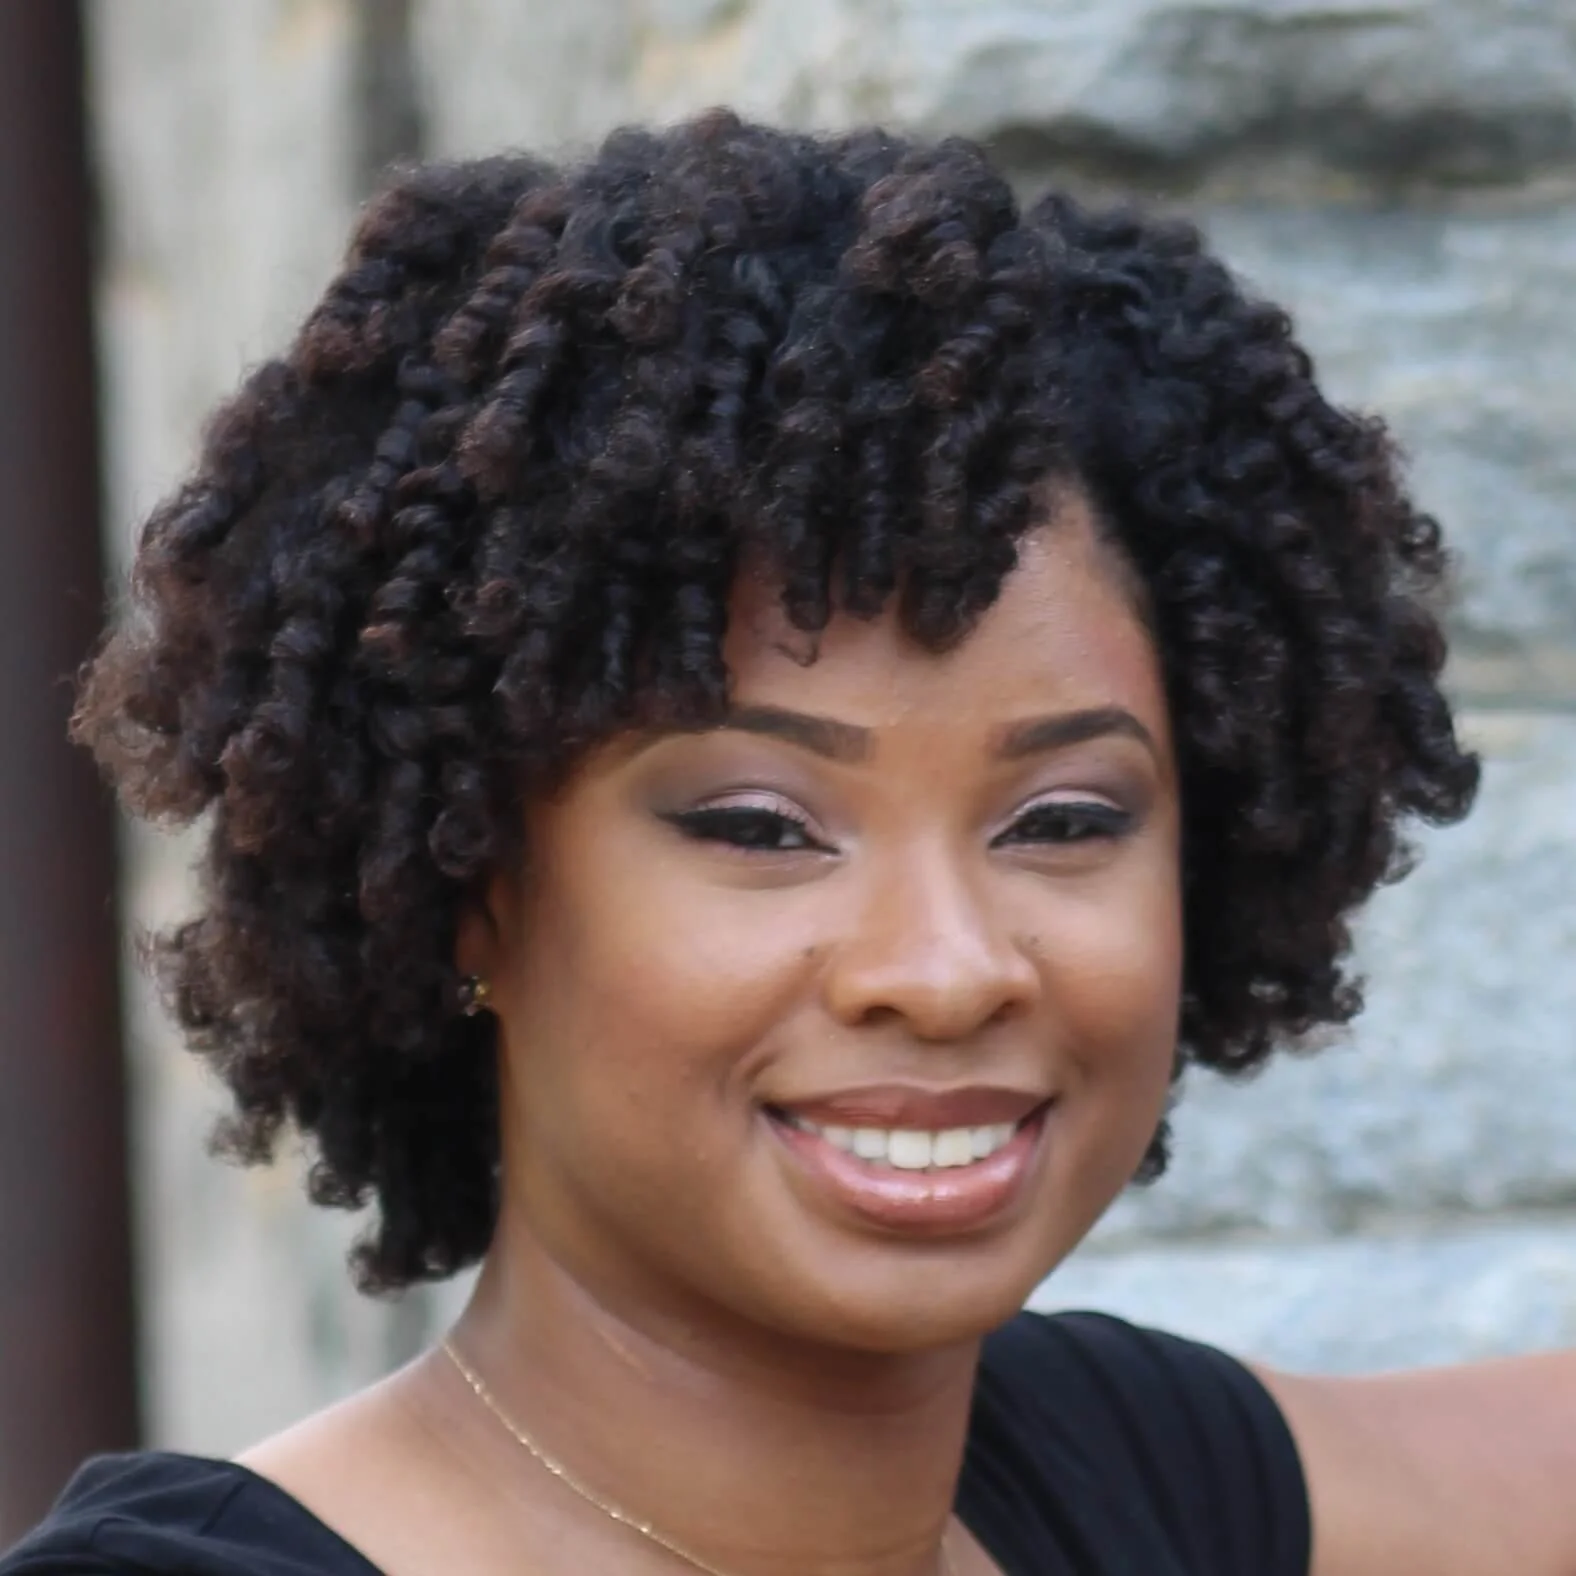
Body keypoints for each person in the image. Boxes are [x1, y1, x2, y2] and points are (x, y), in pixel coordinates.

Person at [4, 107, 1570, 1576]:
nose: (947, 970)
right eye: (761, 826)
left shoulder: (1123, 1483)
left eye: (1066, 819)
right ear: (465, 883)